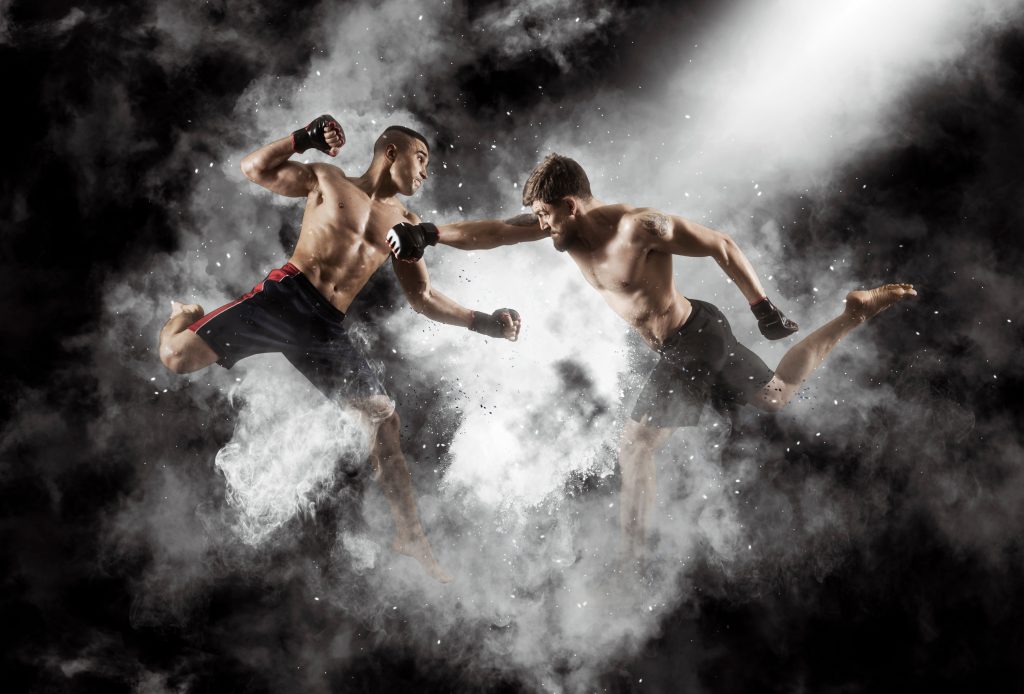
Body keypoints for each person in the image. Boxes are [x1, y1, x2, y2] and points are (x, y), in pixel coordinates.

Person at [387, 153, 916, 561]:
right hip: (685, 340)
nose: (541, 225)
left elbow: (721, 244)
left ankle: (630, 565)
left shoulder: (638, 227)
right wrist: (428, 235)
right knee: (775, 397)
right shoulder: (563, 234)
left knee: (636, 444)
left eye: (546, 215)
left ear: (570, 204)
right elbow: (496, 232)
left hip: (695, 335)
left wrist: (762, 306)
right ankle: (855, 314)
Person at [158, 114, 522, 582]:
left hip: (325, 329)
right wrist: (302, 138)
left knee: (383, 420)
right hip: (282, 299)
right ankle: (185, 314)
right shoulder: (326, 179)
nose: (426, 172)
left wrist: (484, 322)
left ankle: (409, 534)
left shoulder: (407, 224)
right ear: (390, 152)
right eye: (421, 158)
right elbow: (253, 168)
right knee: (174, 358)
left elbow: (423, 298)